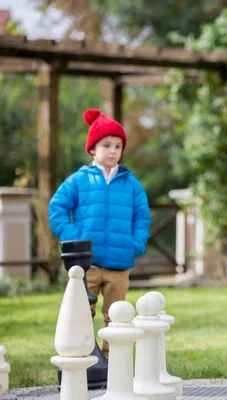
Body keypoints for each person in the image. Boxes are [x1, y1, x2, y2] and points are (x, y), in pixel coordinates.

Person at [49, 108, 151, 357]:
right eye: (107, 145)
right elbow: (57, 209)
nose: (113, 150)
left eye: (118, 146)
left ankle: (112, 361)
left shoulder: (131, 183)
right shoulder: (79, 180)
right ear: (93, 149)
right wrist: (75, 239)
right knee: (82, 312)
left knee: (117, 316)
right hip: (87, 264)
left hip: (120, 265)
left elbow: (142, 217)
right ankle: (83, 357)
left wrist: (134, 244)